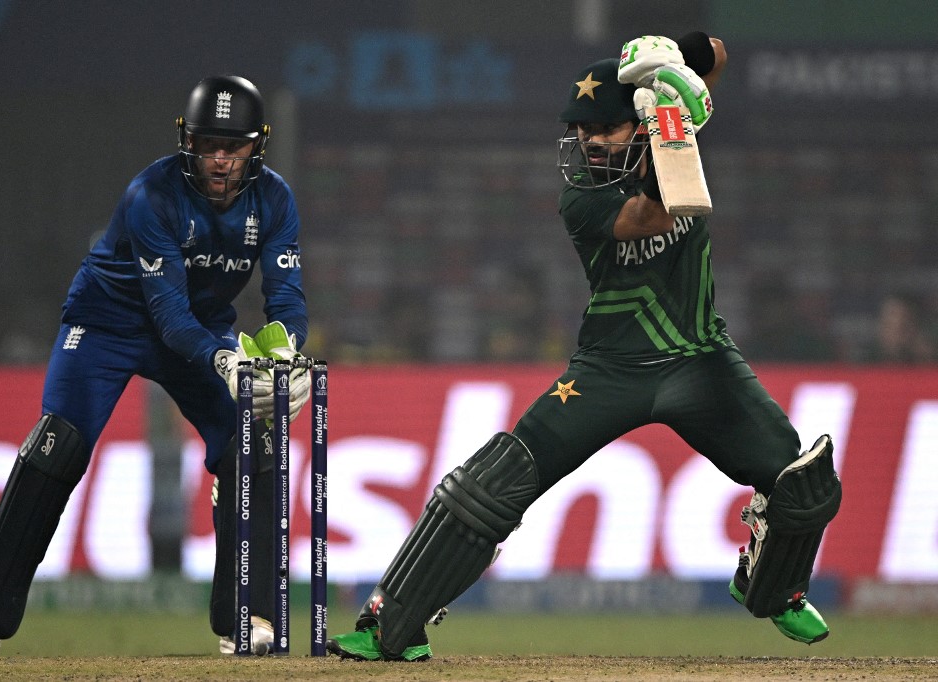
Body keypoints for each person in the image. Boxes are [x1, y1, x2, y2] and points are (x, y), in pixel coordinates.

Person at [326, 33, 842, 662]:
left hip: (702, 359)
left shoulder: (666, 126)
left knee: (802, 481)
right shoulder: (582, 198)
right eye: (582, 131)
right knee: (491, 484)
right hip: (609, 370)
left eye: (605, 128)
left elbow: (717, 52)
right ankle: (389, 625)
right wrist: (671, 120)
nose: (591, 141)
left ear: (638, 123)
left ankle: (774, 586)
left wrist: (671, 67)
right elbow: (657, 213)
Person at [0, 75, 310, 657]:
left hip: (201, 329)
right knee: (58, 444)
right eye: (208, 144)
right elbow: (168, 315)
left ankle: (247, 617)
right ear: (187, 141)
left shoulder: (275, 199)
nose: (220, 160)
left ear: (258, 146)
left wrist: (287, 356)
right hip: (109, 324)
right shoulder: (151, 194)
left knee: (251, 443)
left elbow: (287, 300)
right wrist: (226, 360)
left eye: (233, 146)